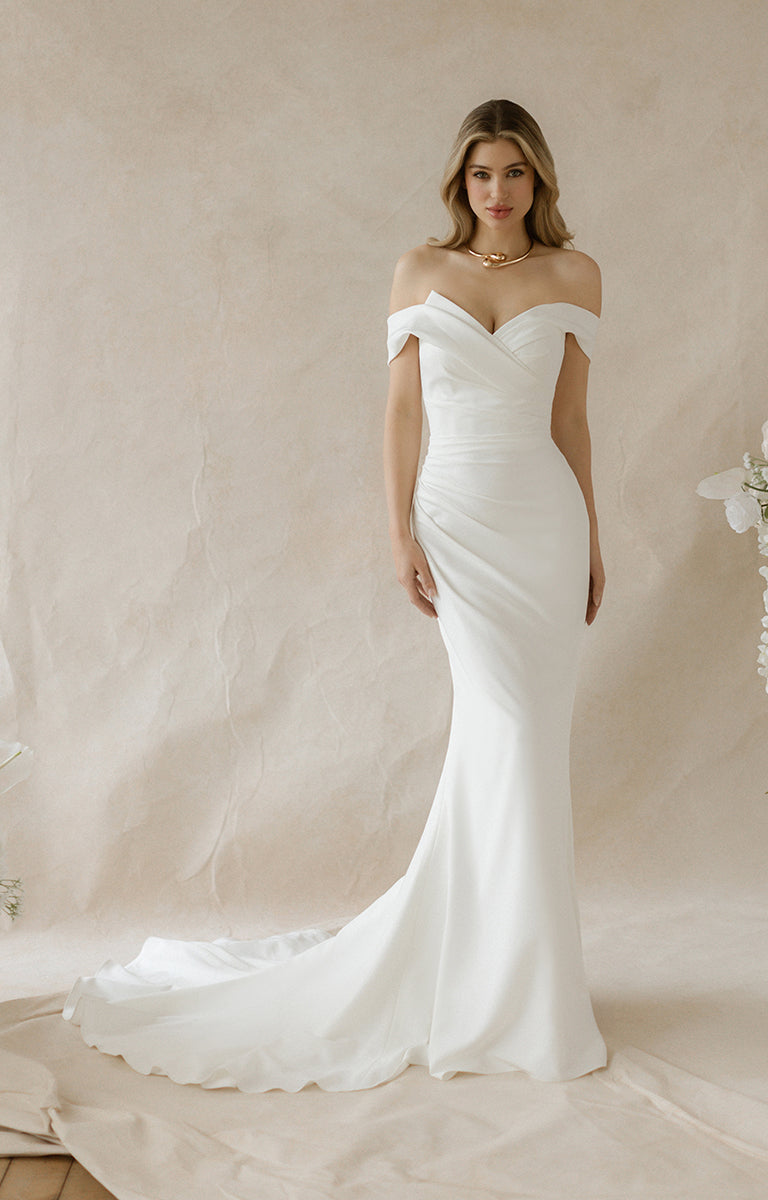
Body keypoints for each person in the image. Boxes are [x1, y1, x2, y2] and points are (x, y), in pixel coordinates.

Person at [62, 99, 608, 1091]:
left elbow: (571, 418)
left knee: (526, 741)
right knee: (506, 729)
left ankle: (519, 975)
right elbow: (402, 409)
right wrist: (398, 529)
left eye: (515, 173)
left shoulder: (574, 276)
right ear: (461, 182)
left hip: (544, 523)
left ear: (540, 181)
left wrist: (595, 537)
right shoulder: (419, 271)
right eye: (482, 174)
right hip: (459, 521)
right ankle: (497, 977)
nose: (498, 192)